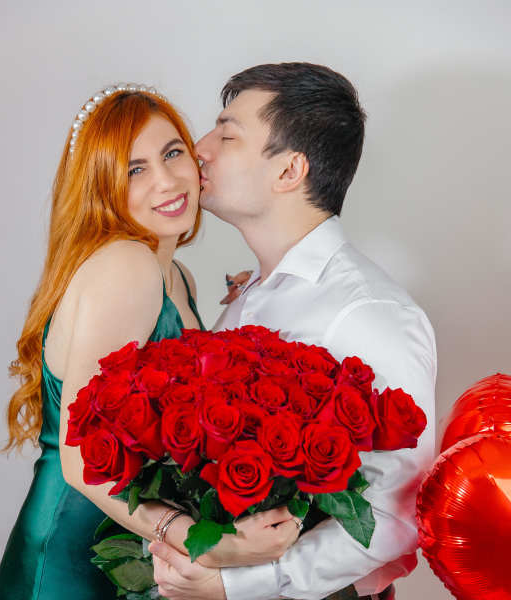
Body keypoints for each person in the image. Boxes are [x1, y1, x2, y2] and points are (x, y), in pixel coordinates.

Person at [0, 84, 300, 600]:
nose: (166, 180)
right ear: (103, 188)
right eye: (135, 169)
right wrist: (208, 544)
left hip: (131, 550)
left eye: (172, 153)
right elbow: (79, 461)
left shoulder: (177, 275)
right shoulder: (125, 266)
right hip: (72, 559)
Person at [149, 63, 437, 600]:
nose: (199, 149)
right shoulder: (251, 292)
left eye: (226, 135)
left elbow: (397, 512)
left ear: (288, 171)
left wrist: (237, 584)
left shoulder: (367, 311)